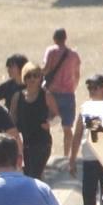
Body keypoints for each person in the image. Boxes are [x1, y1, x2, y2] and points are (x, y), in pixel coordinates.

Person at [67, 75, 103, 205]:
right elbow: (78, 133)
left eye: (96, 87)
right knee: (88, 194)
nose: (93, 91)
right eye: (90, 88)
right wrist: (71, 158)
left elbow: (101, 132)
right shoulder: (86, 107)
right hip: (89, 157)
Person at [10, 65, 59, 181]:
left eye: (35, 76)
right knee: (26, 174)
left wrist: (50, 123)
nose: (32, 79)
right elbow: (12, 118)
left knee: (35, 174)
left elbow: (56, 115)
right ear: (24, 78)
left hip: (41, 142)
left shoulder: (46, 95)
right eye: (28, 76)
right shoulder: (17, 96)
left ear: (40, 78)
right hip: (23, 143)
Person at [42, 28, 81, 158]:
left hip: (52, 94)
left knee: (47, 124)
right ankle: (66, 155)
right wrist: (72, 87)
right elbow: (77, 74)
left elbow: (46, 69)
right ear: (65, 38)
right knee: (67, 127)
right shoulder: (74, 55)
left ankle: (47, 154)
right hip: (68, 94)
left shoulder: (51, 51)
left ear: (54, 38)